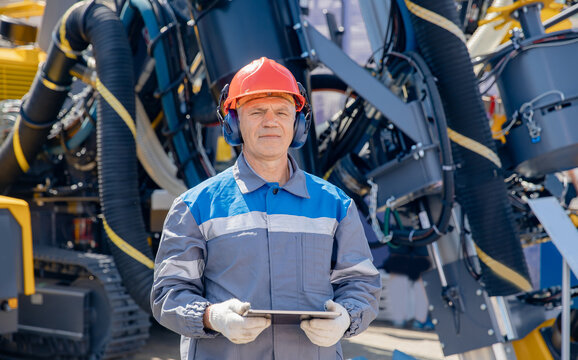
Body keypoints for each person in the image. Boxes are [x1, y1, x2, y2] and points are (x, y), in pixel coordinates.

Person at [151, 57, 381, 360]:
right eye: (257, 112)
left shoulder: (335, 205)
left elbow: (360, 284)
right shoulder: (195, 207)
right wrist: (212, 316)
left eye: (282, 112)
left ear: (297, 124)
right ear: (234, 123)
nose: (270, 121)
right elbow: (169, 293)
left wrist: (347, 318)